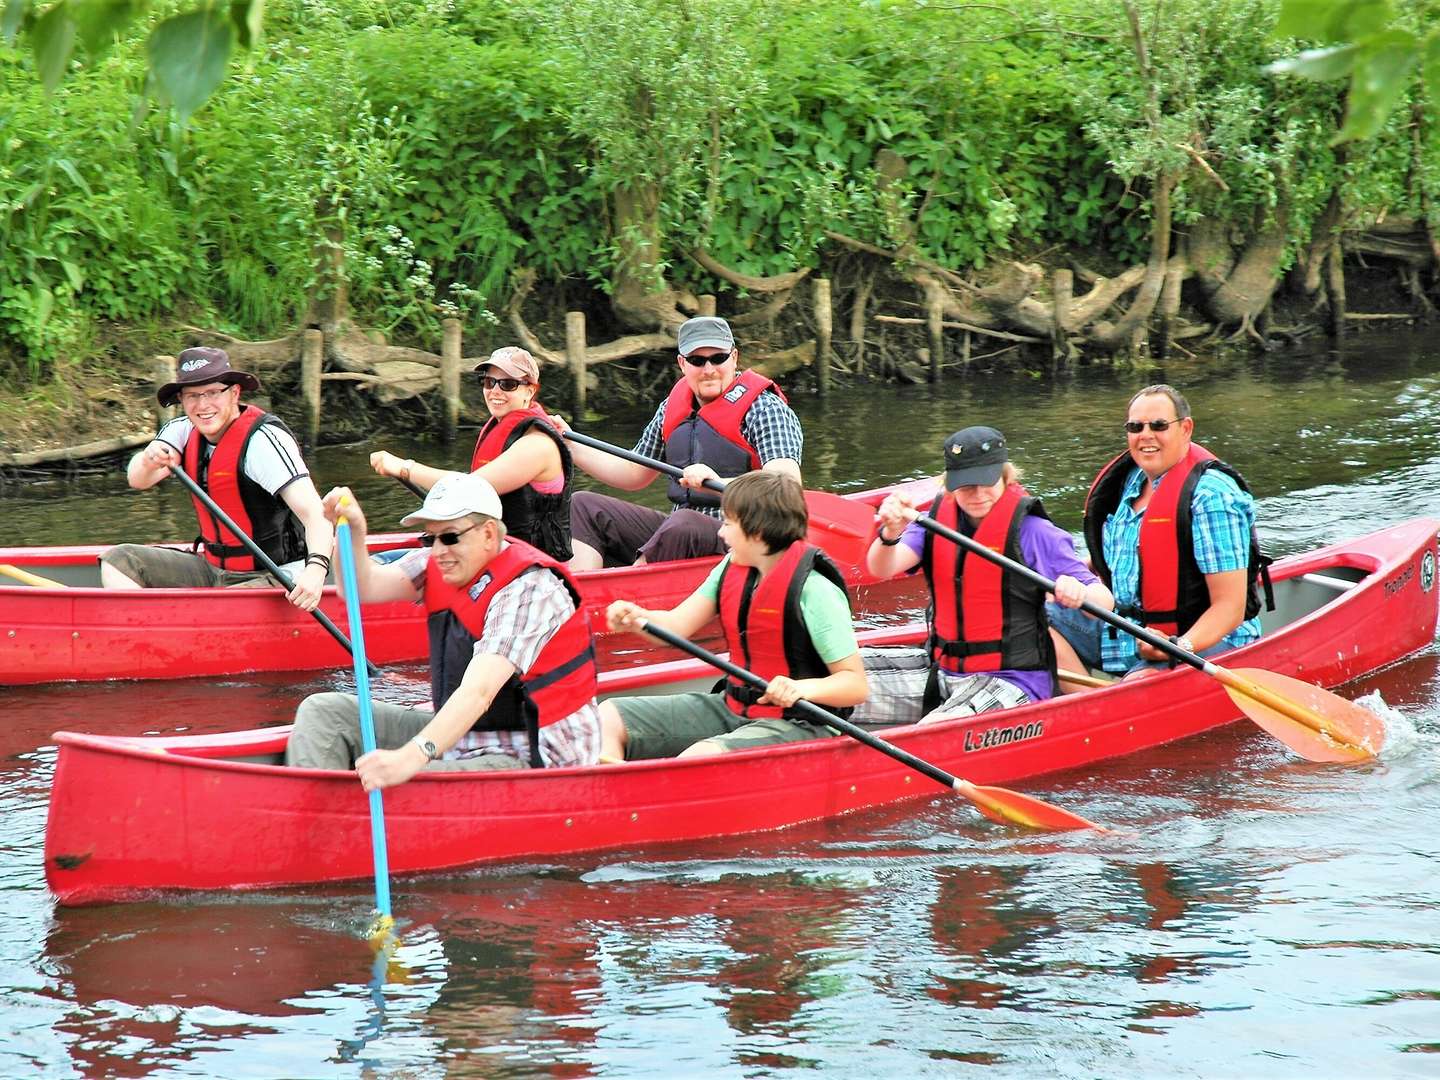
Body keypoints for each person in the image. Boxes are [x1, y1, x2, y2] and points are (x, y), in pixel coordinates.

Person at [285, 473, 601, 787]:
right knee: (324, 712)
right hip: (466, 737)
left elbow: (479, 693)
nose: (438, 551)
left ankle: (336, 822)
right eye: (430, 538)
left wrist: (411, 756)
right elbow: (360, 587)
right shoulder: (439, 563)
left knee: (408, 777)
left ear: (489, 534)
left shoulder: (529, 589)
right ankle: (316, 821)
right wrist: (353, 531)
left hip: (534, 752)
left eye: (449, 537)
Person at [855, 426, 1114, 725]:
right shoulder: (935, 521)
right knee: (830, 672)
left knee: (935, 729)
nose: (977, 494)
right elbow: (882, 567)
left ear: (1005, 475)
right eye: (966, 486)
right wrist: (890, 532)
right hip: (941, 669)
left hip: (1012, 678)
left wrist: (1077, 591)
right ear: (950, 484)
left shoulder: (1034, 531)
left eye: (986, 483)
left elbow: (1104, 603)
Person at [601, 471, 866, 760]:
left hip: (800, 721)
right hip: (733, 705)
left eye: (728, 523)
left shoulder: (816, 591)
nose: (720, 532)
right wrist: (638, 618)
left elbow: (855, 685)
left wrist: (800, 688)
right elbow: (675, 627)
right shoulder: (731, 567)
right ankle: (613, 793)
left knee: (698, 757)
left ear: (757, 532)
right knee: (607, 717)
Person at [1049, 384, 1268, 680]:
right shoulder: (1130, 480)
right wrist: (1066, 579)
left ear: (1185, 429)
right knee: (1028, 616)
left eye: (1159, 425)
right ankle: (1088, 700)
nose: (1146, 435)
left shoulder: (1212, 496)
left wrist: (1180, 646)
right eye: (1136, 426)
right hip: (1128, 633)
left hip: (1200, 640)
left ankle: (1109, 707)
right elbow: (1119, 554)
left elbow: (1230, 607)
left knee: (1138, 687)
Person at [554, 315, 804, 570]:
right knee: (584, 505)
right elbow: (633, 473)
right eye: (697, 360)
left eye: (718, 358)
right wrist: (570, 446)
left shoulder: (765, 409)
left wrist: (717, 484)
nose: (709, 370)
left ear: (735, 357)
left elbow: (786, 484)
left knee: (685, 523)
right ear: (682, 364)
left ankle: (628, 592)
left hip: (747, 534)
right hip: (678, 530)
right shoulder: (670, 409)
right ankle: (583, 592)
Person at [98, 347, 332, 612]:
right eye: (192, 396)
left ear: (234, 393)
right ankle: (142, 633)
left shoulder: (262, 443)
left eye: (212, 392)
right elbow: (137, 480)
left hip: (273, 576)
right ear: (182, 401)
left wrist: (316, 570)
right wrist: (147, 458)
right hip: (214, 569)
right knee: (119, 559)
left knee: (216, 608)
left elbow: (317, 515)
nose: (202, 405)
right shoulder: (182, 431)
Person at [369, 346, 574, 560]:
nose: (495, 391)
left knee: (385, 563)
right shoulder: (505, 429)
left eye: (508, 384)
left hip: (533, 567)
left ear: (529, 391)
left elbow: (468, 489)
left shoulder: (537, 445)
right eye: (489, 382)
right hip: (494, 553)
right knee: (383, 562)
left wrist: (404, 468)